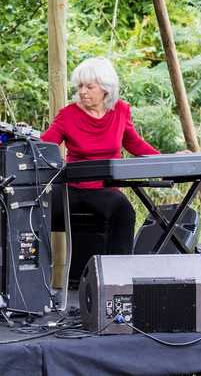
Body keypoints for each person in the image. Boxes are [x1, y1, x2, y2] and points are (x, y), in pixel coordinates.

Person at [41, 57, 159, 256]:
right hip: (71, 190)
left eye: (89, 87)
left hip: (106, 190)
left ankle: (117, 276)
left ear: (106, 88)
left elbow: (133, 143)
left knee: (124, 211)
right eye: (80, 86)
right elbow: (45, 147)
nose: (82, 92)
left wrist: (165, 159)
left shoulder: (121, 110)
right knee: (32, 211)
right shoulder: (67, 115)